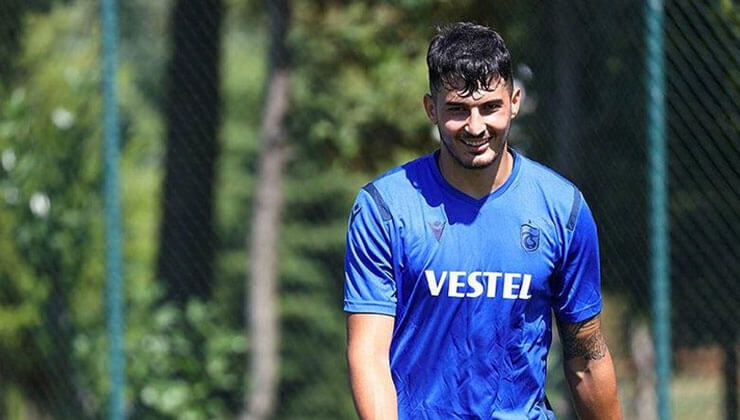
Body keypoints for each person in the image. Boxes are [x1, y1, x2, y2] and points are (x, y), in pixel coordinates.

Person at [343, 22, 622, 420]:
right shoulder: (385, 209)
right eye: (458, 110)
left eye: (490, 107)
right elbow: (369, 354)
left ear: (514, 102)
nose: (476, 127)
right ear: (431, 109)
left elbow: (587, 358)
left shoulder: (562, 209)